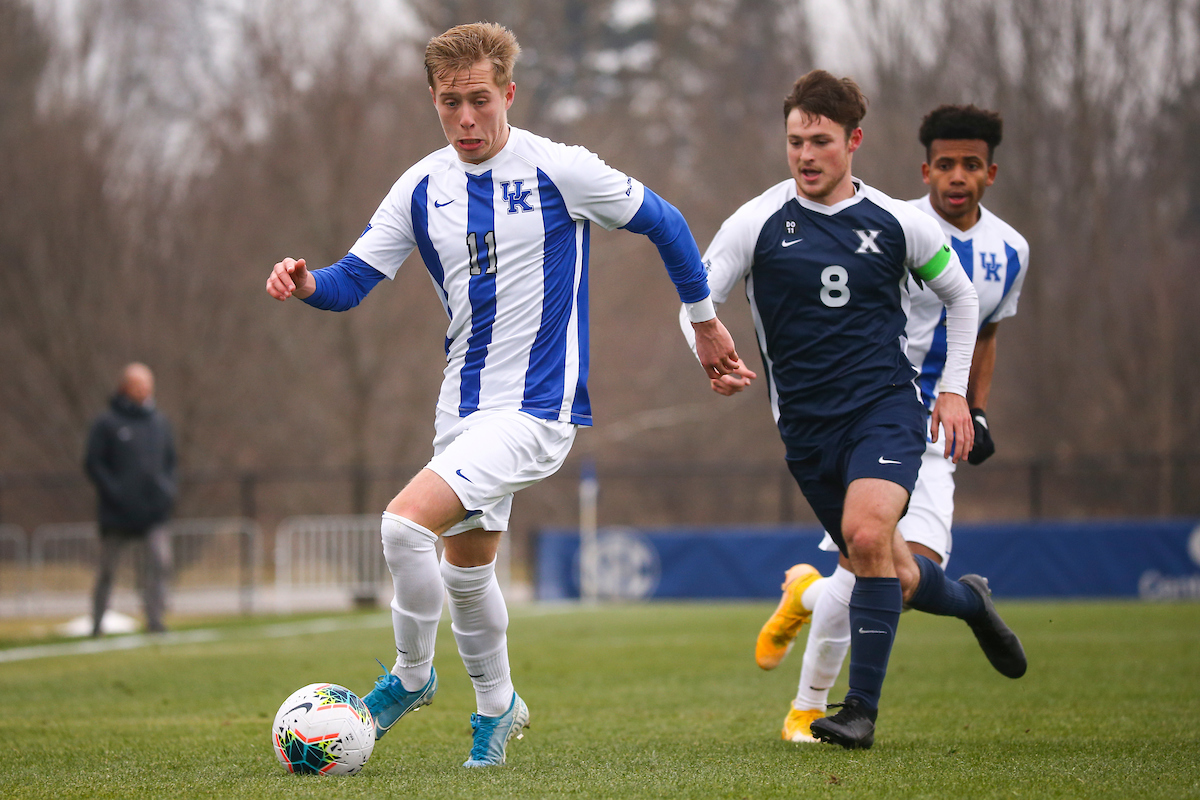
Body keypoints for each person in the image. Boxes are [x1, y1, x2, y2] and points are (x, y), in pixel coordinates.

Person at [265, 22, 741, 768]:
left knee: (401, 528)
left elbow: (667, 223)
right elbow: (352, 280)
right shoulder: (421, 187)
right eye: (449, 102)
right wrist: (306, 284)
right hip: (461, 408)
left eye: (479, 100)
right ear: (433, 100)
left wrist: (705, 322)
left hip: (536, 409)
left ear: (509, 94)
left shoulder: (559, 169)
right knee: (467, 572)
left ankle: (412, 678)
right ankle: (497, 708)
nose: (465, 118)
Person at [680, 72, 1025, 750]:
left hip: (886, 409)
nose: (805, 156)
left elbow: (962, 299)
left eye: (820, 142)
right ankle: (971, 603)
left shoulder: (897, 222)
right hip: (806, 431)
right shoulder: (756, 221)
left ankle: (855, 711)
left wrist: (954, 392)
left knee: (866, 538)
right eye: (795, 142)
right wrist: (706, 348)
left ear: (853, 141)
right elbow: (697, 299)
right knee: (895, 572)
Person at [84, 362, 176, 637]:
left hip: (153, 512)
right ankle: (97, 623)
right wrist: (116, 493)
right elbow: (93, 463)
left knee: (160, 562)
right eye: (138, 385)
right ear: (125, 387)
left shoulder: (159, 422)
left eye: (147, 384)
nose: (143, 390)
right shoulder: (107, 423)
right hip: (118, 513)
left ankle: (155, 620)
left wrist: (167, 491)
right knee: (107, 570)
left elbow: (171, 463)